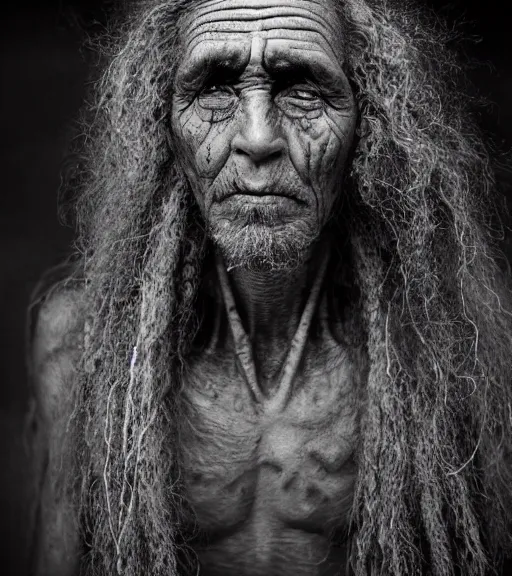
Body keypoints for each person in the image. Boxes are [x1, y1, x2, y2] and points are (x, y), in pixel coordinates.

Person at [27, 0, 512, 575]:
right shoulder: (82, 343)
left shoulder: (457, 346)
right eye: (215, 88)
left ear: (371, 122)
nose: (258, 138)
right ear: (160, 124)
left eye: (301, 89)